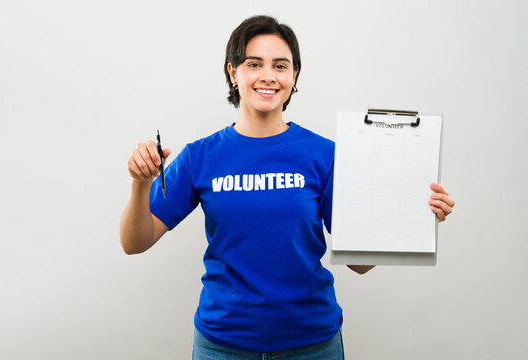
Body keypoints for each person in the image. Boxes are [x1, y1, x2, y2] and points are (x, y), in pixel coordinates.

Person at [120, 15, 455, 360]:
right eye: (254, 64)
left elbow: (360, 263)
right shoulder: (199, 156)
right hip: (223, 345)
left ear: (294, 77)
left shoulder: (323, 155)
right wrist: (140, 184)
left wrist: (415, 214)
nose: (268, 75)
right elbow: (134, 242)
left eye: (280, 65)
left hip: (312, 345)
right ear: (233, 73)